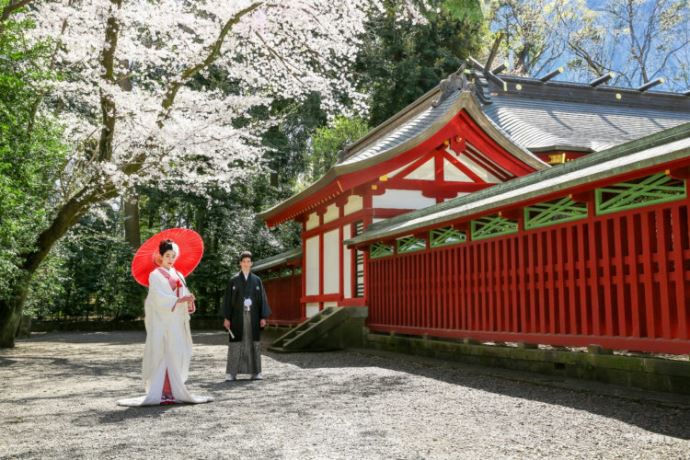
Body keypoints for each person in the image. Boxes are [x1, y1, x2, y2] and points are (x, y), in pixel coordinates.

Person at [118, 239, 212, 406]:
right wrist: (179, 299)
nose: (170, 258)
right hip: (162, 322)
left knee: (176, 353)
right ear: (160, 257)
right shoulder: (155, 275)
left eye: (173, 256)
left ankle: (174, 390)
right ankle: (162, 391)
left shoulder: (180, 275)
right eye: (167, 255)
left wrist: (189, 300)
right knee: (162, 353)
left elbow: (184, 296)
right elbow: (158, 299)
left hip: (176, 321)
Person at [222, 251, 271, 381]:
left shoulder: (256, 280)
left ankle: (256, 372)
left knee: (253, 342)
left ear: (251, 263)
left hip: (253, 315)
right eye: (243, 261)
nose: (246, 264)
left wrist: (263, 317)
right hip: (237, 316)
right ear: (240, 263)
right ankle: (231, 372)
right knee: (236, 342)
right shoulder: (233, 280)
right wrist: (227, 317)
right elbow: (227, 300)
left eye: (248, 261)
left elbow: (262, 299)